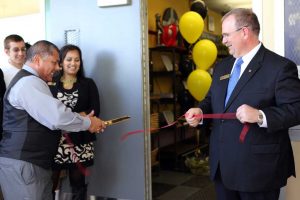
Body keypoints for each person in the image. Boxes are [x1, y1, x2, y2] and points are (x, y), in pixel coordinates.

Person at [185, 8, 300, 200]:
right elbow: (211, 100)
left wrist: (260, 116)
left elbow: (296, 110)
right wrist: (200, 111)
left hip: (259, 170)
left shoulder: (280, 67)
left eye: (227, 35)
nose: (223, 41)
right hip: (223, 166)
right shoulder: (222, 66)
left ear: (245, 32)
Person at [0, 40, 106, 200]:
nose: (58, 67)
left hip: (33, 162)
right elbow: (57, 117)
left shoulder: (33, 82)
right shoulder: (28, 83)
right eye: (55, 62)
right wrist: (89, 122)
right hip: (25, 162)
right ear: (37, 60)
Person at [49, 44, 100, 199]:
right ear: (61, 62)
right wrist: (80, 116)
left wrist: (67, 117)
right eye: (69, 59)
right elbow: (49, 114)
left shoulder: (88, 83)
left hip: (81, 141)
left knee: (78, 185)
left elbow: (94, 112)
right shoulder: (51, 85)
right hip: (55, 141)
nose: (73, 63)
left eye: (77, 60)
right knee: (50, 183)